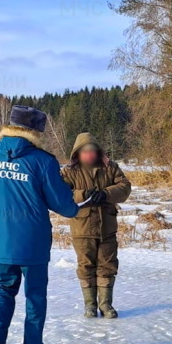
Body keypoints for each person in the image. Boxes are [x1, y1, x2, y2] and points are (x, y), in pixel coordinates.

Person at [0, 105, 79, 344]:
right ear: (37, 131)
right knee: (35, 298)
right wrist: (75, 204)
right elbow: (65, 206)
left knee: (2, 292)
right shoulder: (43, 160)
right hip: (32, 245)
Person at [61, 133, 132, 319]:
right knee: (86, 267)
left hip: (107, 227)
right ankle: (90, 305)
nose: (89, 155)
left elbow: (125, 187)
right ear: (77, 153)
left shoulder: (110, 167)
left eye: (92, 150)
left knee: (108, 266)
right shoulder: (69, 172)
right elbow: (60, 195)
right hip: (82, 228)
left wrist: (107, 194)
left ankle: (106, 305)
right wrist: (82, 195)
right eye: (85, 151)